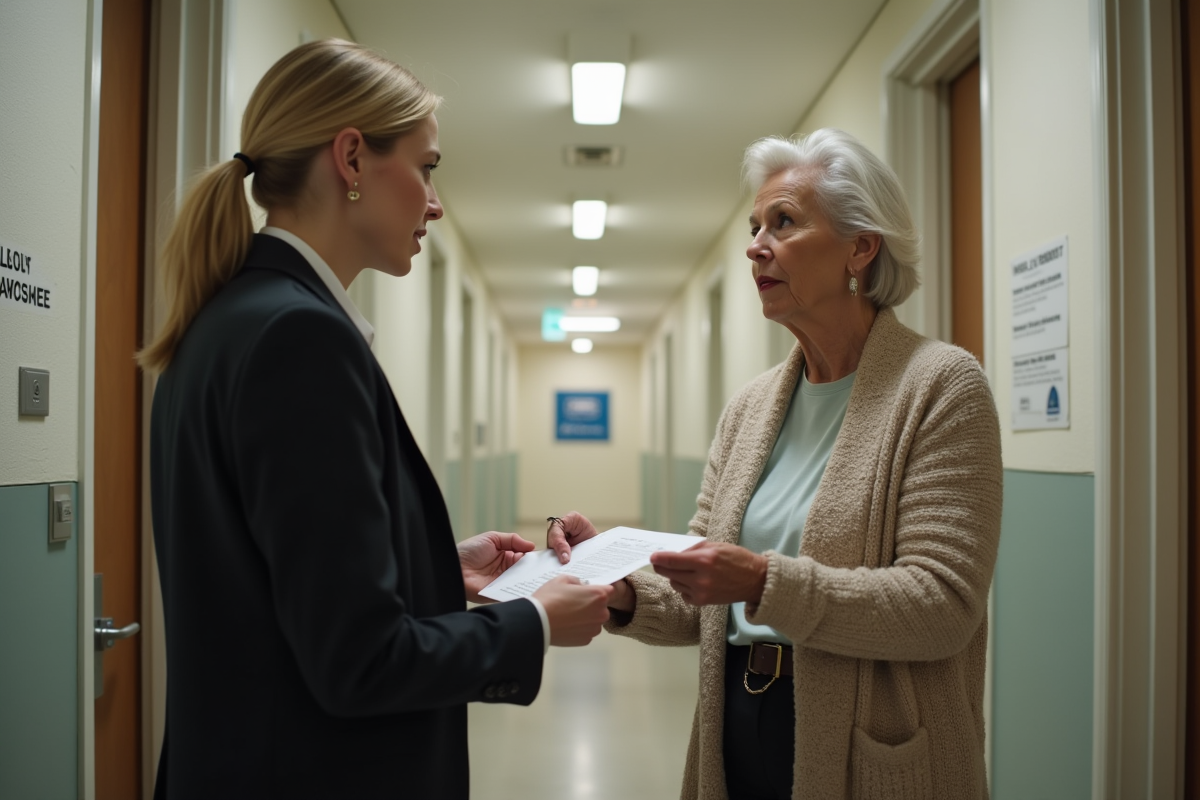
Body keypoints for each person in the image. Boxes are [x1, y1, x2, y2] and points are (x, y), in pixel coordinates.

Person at [142, 39, 612, 800]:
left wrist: (433, 571)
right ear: (352, 159)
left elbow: (275, 590)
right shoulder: (301, 340)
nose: (435, 202)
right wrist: (533, 620)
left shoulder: (226, 321)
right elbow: (358, 664)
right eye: (427, 168)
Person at [549, 128, 1003, 799]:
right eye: (755, 224)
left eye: (783, 223)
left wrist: (764, 582)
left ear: (861, 246)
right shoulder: (751, 408)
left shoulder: (941, 386)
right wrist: (618, 586)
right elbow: (703, 595)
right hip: (738, 717)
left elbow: (941, 605)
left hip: (872, 742)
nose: (755, 245)